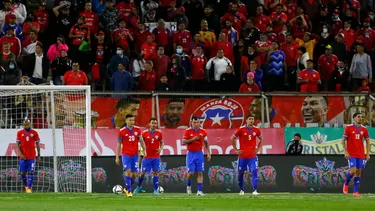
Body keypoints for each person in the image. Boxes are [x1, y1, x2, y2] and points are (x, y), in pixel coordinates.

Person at [231, 114, 263, 196]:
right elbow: (232, 138)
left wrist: (258, 148)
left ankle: (255, 190)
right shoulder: (241, 129)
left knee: (254, 171)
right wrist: (236, 149)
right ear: (246, 120)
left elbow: (261, 139)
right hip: (242, 157)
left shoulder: (256, 129)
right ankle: (241, 190)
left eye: (253, 119)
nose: (251, 120)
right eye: (250, 119)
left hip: (252, 156)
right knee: (240, 173)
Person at [115, 114, 146, 198]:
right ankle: (129, 191)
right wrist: (117, 157)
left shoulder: (138, 130)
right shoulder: (122, 131)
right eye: (130, 120)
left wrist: (144, 150)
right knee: (128, 172)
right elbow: (118, 144)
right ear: (126, 121)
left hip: (135, 155)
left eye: (133, 120)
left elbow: (141, 140)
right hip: (126, 155)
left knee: (134, 175)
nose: (131, 122)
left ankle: (126, 188)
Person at [134, 118, 164, 195]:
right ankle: (139, 187)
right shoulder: (144, 133)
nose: (154, 125)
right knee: (143, 173)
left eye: (155, 123)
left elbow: (162, 142)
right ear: (149, 124)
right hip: (147, 157)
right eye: (152, 123)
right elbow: (141, 144)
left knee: (156, 172)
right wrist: (142, 153)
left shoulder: (159, 133)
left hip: (156, 157)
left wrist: (160, 148)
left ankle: (155, 190)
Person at [342, 112, 370, 197]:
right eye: (358, 117)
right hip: (352, 154)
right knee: (353, 171)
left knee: (358, 172)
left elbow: (368, 141)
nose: (360, 118)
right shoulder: (348, 128)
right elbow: (344, 140)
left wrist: (367, 153)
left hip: (361, 154)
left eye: (361, 117)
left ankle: (355, 191)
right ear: (354, 118)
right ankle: (346, 183)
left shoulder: (364, 129)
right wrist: (345, 151)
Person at [183, 116, 211, 196]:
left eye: (197, 122)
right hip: (191, 153)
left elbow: (206, 142)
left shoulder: (203, 131)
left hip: (199, 153)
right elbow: (183, 142)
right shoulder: (187, 131)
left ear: (200, 123)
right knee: (190, 173)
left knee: (200, 172)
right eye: (194, 122)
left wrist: (209, 153)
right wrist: (193, 139)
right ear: (191, 123)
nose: (196, 124)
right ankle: (188, 187)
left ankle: (199, 191)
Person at [17, 118, 41, 193]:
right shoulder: (19, 132)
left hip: (32, 156)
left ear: (30, 124)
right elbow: (17, 144)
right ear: (23, 124)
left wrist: (39, 155)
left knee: (31, 172)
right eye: (25, 124)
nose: (26, 126)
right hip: (23, 157)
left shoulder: (34, 132)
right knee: (22, 173)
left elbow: (37, 144)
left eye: (28, 124)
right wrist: (20, 153)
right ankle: (26, 186)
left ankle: (28, 188)